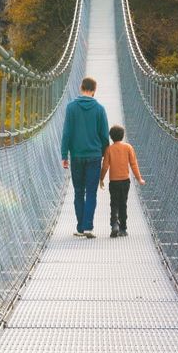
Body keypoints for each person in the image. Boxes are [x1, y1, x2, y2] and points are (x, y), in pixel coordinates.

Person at [59, 76, 110, 237]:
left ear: (81, 88)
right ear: (94, 90)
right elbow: (104, 136)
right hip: (94, 156)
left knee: (79, 191)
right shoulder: (100, 109)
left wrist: (64, 155)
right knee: (91, 192)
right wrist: (104, 154)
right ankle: (88, 226)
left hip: (76, 156)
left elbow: (67, 133)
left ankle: (80, 228)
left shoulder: (71, 108)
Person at [99, 124, 144, 238]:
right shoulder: (128, 147)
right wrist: (139, 178)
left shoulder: (109, 149)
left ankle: (114, 224)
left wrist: (101, 178)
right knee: (123, 204)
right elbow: (133, 164)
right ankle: (123, 228)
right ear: (123, 135)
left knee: (114, 204)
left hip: (114, 182)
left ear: (111, 137)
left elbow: (105, 166)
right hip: (125, 181)